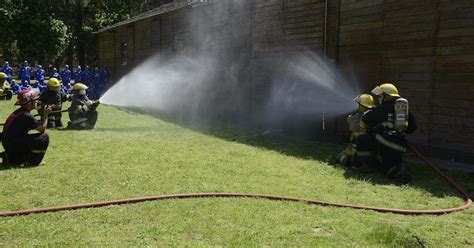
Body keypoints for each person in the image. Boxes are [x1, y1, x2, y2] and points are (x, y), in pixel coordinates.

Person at [360, 83, 417, 183]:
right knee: (388, 167)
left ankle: (367, 165)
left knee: (363, 139)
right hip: (400, 144)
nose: (379, 98)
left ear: (387, 96)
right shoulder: (402, 108)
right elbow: (412, 128)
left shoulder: (384, 106)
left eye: (381, 96)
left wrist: (370, 112)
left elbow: (366, 120)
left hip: (387, 141)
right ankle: (396, 168)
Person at [2, 89, 51, 167]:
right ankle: (34, 162)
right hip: (13, 144)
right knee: (44, 137)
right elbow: (42, 128)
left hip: (8, 143)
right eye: (34, 100)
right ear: (29, 103)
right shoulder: (26, 116)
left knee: (29, 139)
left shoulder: (19, 112)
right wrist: (46, 115)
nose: (36, 102)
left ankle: (12, 157)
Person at [336, 94, 375, 168]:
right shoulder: (371, 115)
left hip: (354, 150)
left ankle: (351, 161)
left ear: (361, 105)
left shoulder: (356, 118)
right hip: (369, 150)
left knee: (340, 157)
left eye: (357, 104)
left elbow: (349, 121)